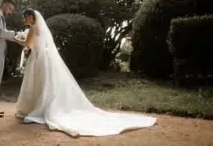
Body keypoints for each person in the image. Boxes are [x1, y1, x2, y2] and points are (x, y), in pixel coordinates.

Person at [15, 9, 157, 137]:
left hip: (38, 58)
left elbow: (28, 45)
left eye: (25, 17)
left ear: (30, 17)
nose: (24, 20)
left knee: (37, 83)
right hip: (45, 58)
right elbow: (39, 44)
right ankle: (43, 105)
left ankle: (39, 107)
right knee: (45, 84)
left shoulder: (33, 29)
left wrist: (17, 39)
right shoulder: (41, 28)